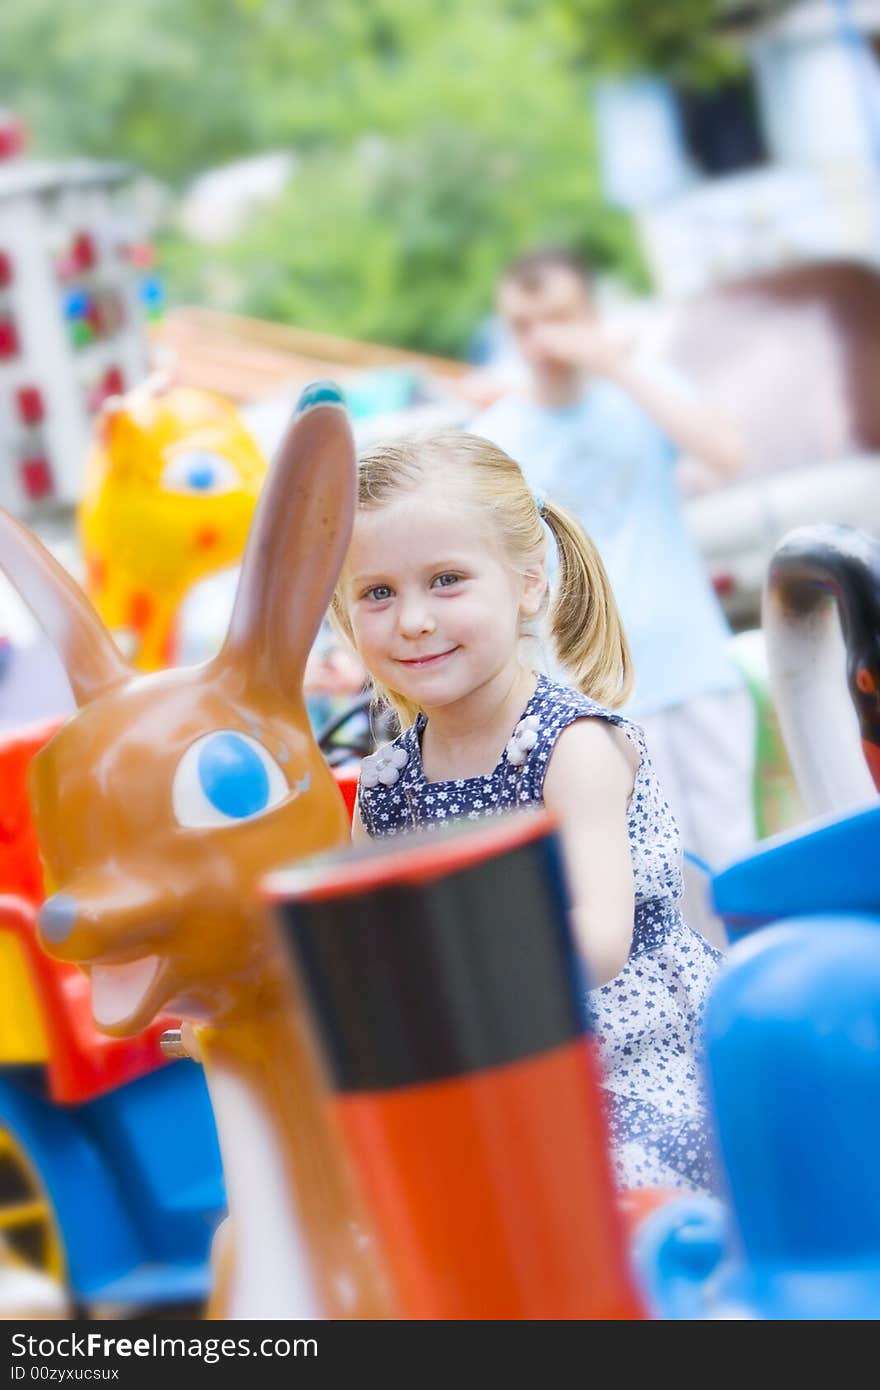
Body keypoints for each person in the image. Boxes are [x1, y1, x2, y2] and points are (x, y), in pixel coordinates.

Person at [330, 433, 721, 1194]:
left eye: (446, 580)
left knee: (597, 1185)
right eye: (377, 592)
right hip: (475, 1057)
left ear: (529, 585)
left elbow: (601, 943)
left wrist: (443, 980)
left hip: (627, 1052)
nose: (411, 619)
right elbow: (366, 938)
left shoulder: (568, 747)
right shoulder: (386, 783)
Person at [471, 250, 755, 931]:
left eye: (559, 318)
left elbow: (726, 454)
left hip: (695, 665)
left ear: (591, 316)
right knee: (658, 876)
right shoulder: (496, 440)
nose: (543, 339)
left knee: (735, 856)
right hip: (595, 689)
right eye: (524, 324)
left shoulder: (639, 391)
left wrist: (618, 365)